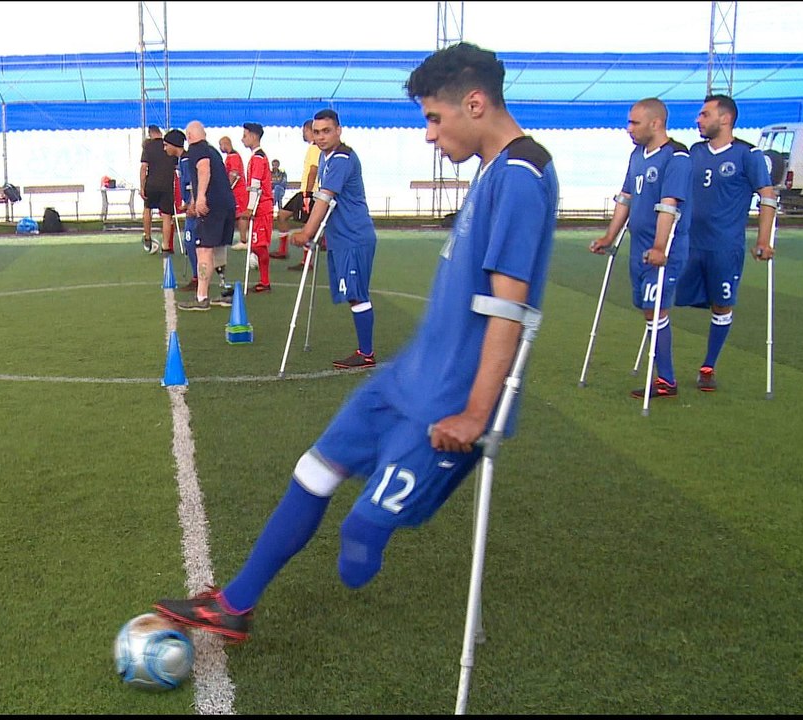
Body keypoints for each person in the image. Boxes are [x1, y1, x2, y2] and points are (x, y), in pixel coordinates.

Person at [154, 42, 559, 644]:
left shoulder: (523, 176)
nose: (428, 134)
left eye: (433, 118)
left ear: (475, 104)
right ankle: (236, 603)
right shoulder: (494, 169)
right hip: (409, 377)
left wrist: (477, 413)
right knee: (314, 469)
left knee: (359, 544)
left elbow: (509, 306)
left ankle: (350, 542)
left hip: (451, 397)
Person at [590, 97, 692, 399]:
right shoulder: (637, 155)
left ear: (655, 123)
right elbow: (626, 197)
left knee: (655, 308)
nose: (628, 128)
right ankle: (664, 374)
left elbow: (669, 205)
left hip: (665, 248)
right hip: (638, 247)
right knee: (647, 308)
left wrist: (660, 247)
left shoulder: (677, 157)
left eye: (634, 122)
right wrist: (609, 236)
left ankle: (667, 380)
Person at [675, 94, 777, 391]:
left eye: (705, 114)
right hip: (688, 244)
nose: (698, 119)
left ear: (725, 118)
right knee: (664, 300)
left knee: (721, 305)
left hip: (724, 247)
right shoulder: (693, 152)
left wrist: (763, 240)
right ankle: (662, 369)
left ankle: (708, 366)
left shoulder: (748, 154)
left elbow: (767, 197)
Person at [291, 108, 378, 370]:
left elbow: (325, 197)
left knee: (356, 294)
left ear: (338, 131)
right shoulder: (327, 159)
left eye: (326, 131)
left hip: (354, 236)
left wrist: (307, 232)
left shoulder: (341, 158)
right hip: (341, 237)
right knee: (352, 293)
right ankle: (365, 351)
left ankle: (366, 353)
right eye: (316, 132)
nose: (320, 136)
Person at [175, 120, 238, 311]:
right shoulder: (213, 151)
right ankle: (222, 289)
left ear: (189, 137)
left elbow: (203, 171)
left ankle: (201, 297)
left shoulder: (196, 150)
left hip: (211, 207)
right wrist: (194, 200)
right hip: (227, 204)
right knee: (218, 248)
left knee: (203, 250)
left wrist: (201, 199)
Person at [275, 119, 320, 263]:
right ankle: (283, 250)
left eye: (304, 131)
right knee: (282, 215)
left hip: (309, 192)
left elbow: (313, 171)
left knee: (307, 224)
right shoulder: (313, 148)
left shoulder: (315, 148)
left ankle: (307, 261)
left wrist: (307, 195)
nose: (303, 134)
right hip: (304, 191)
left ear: (310, 131)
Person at [163, 128, 200, 292]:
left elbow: (193, 182)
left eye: (166, 145)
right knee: (190, 241)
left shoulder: (186, 161)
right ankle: (197, 276)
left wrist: (191, 202)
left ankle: (198, 277)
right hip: (190, 206)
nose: (164, 149)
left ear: (173, 145)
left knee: (191, 242)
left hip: (195, 209)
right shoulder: (181, 161)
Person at [241, 122, 274, 292]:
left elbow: (256, 185)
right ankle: (264, 280)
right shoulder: (256, 157)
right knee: (257, 245)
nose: (242, 139)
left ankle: (265, 281)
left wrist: (250, 208)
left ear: (254, 136)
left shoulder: (259, 158)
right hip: (260, 208)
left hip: (262, 208)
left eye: (245, 135)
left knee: (259, 245)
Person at [140, 124, 177, 253]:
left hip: (151, 184)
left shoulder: (148, 146)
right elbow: (177, 167)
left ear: (150, 133)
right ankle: (165, 246)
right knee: (167, 216)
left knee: (147, 209)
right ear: (160, 132)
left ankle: (147, 236)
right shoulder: (169, 145)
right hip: (167, 184)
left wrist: (142, 186)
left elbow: (143, 167)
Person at [220, 135, 249, 251]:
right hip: (235, 191)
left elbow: (234, 174)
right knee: (237, 214)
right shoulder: (231, 156)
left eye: (221, 144)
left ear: (225, 144)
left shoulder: (233, 156)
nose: (220, 148)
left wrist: (228, 187)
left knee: (241, 214)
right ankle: (242, 239)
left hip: (239, 191)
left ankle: (244, 240)